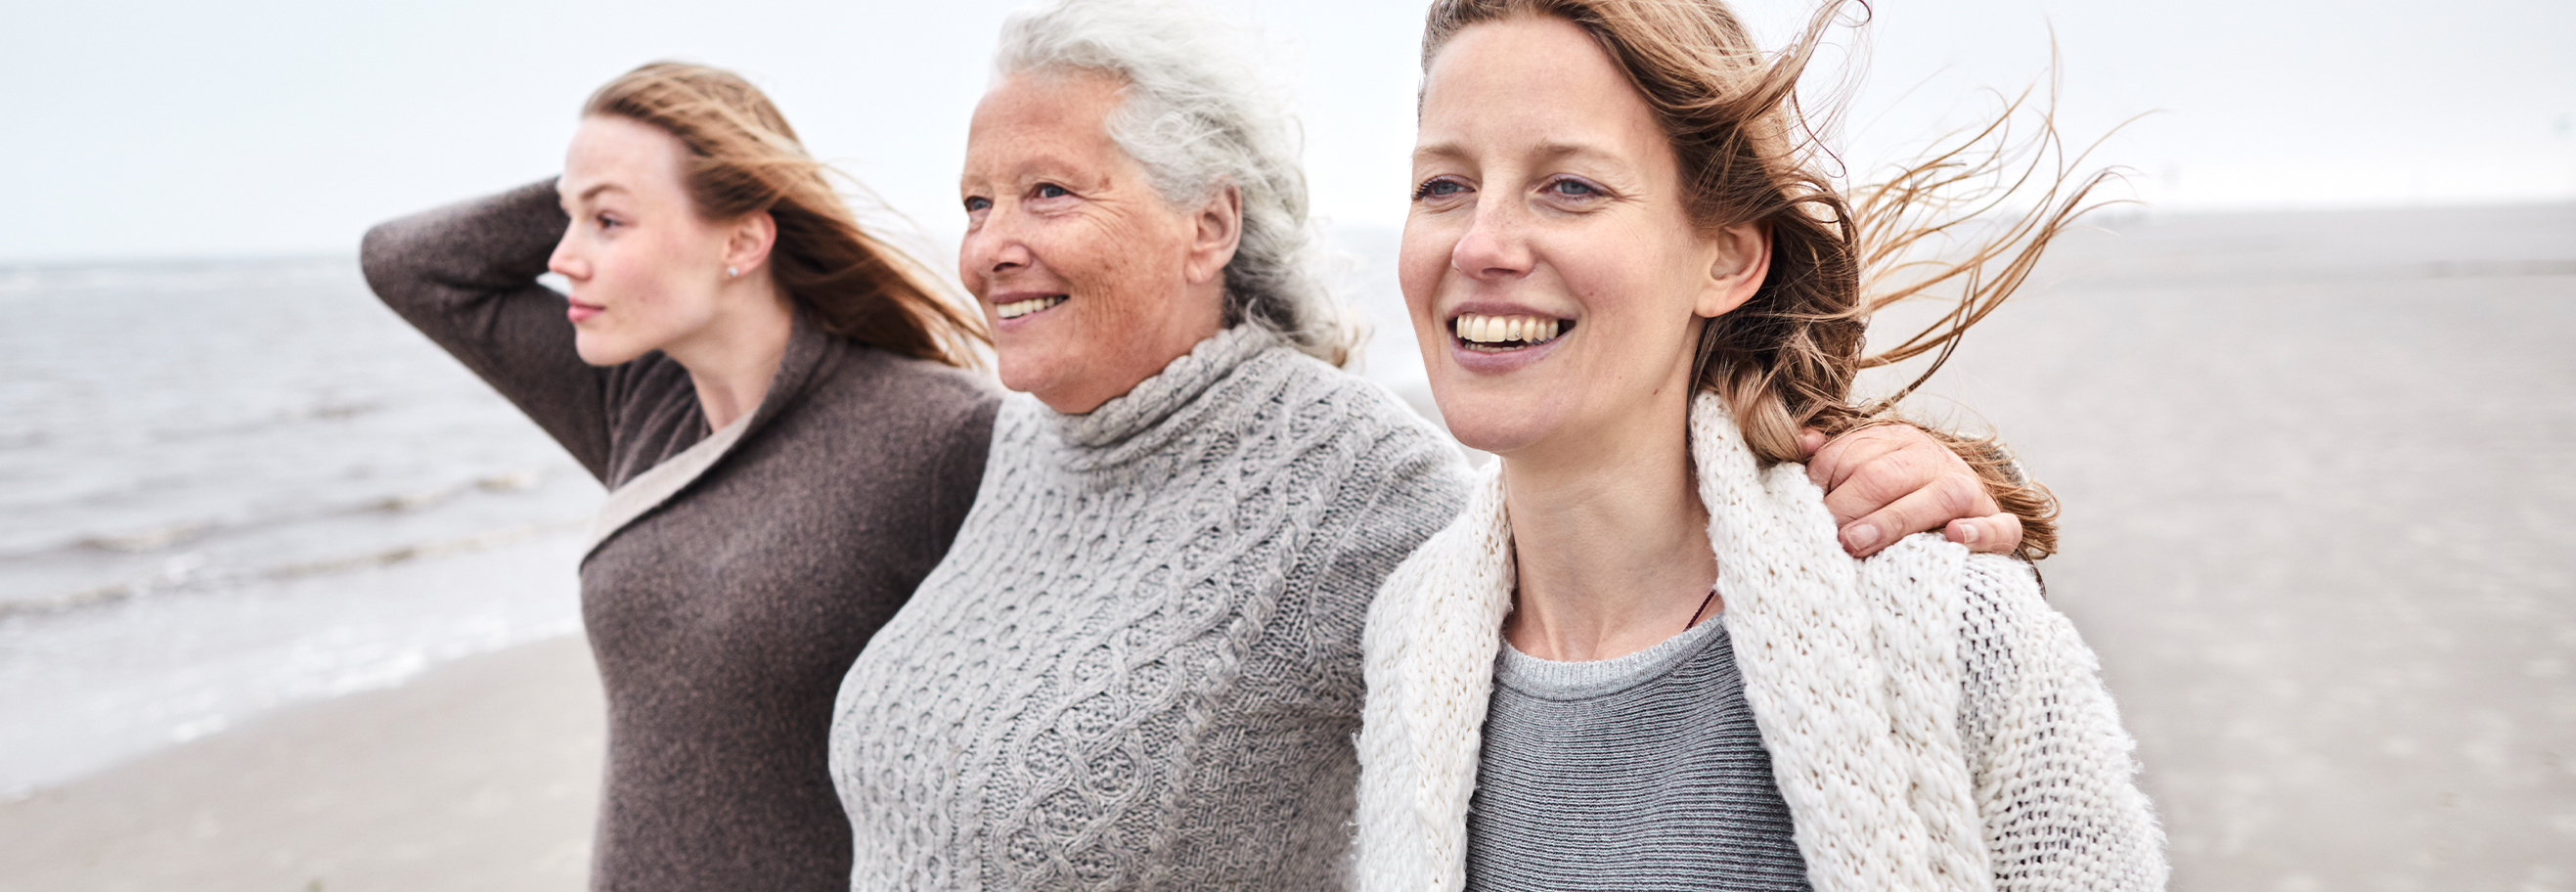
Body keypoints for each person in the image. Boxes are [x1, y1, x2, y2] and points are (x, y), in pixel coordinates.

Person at [817, 0, 2029, 887]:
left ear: (1210, 223)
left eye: (1048, 193)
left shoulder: (1348, 486)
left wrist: (1902, 484)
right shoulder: (1024, 448)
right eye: (976, 203)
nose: (988, 244)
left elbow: (1593, 529)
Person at [1344, 0, 2167, 888]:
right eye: (1443, 186)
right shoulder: (1410, 642)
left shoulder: (1938, 623)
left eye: (1570, 186)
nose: (1481, 244)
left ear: (1727, 259)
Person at [359, 62, 1004, 892]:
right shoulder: (638, 401)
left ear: (742, 240)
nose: (561, 258)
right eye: (566, 221)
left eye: (608, 223)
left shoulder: (937, 433)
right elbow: (407, 266)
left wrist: (693, 165)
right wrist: (598, 176)